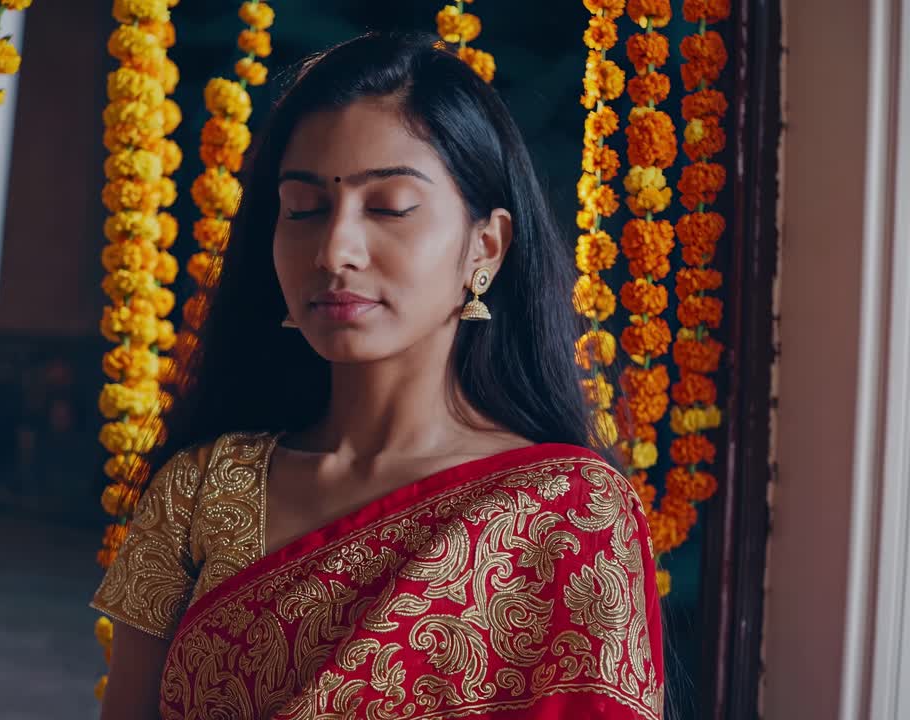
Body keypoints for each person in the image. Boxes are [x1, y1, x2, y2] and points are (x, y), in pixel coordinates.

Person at [92, 31, 663, 720]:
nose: (335, 250)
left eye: (389, 207)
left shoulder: (568, 513)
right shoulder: (202, 488)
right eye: (303, 210)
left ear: (485, 246)